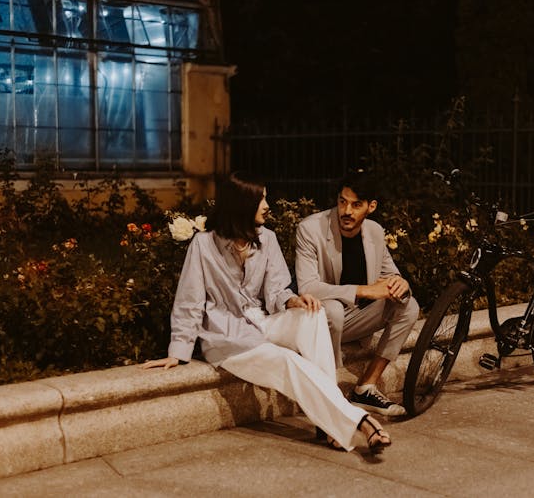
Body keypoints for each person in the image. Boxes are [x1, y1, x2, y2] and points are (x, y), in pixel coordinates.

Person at [141, 171, 391, 452]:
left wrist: (293, 302)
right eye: (261, 199)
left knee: (313, 314)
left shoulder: (267, 239)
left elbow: (277, 291)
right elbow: (190, 300)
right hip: (228, 339)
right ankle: (360, 421)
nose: (267, 205)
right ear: (241, 204)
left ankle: (329, 422)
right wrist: (178, 351)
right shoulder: (204, 245)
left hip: (260, 322)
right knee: (288, 361)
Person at [295, 171, 420, 417]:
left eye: (356, 205)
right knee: (330, 309)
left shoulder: (374, 231)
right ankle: (329, 393)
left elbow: (391, 274)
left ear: (371, 207)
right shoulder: (310, 229)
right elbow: (307, 287)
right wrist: (363, 290)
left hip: (354, 320)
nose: (347, 211)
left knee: (409, 306)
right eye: (342, 202)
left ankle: (365, 387)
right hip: (320, 322)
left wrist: (400, 283)